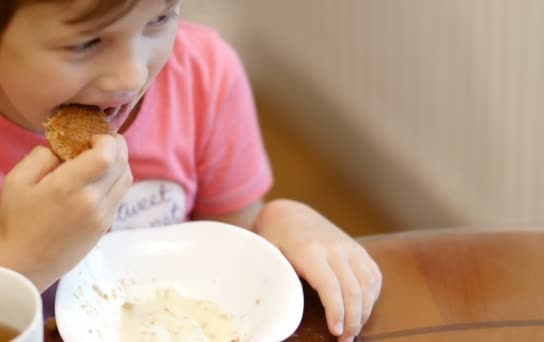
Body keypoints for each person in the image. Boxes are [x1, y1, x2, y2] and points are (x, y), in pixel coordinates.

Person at [0, 1, 382, 340]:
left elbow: (225, 253)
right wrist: (21, 264)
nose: (132, 76)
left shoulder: (204, 77)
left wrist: (276, 224)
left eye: (161, 18)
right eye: (86, 43)